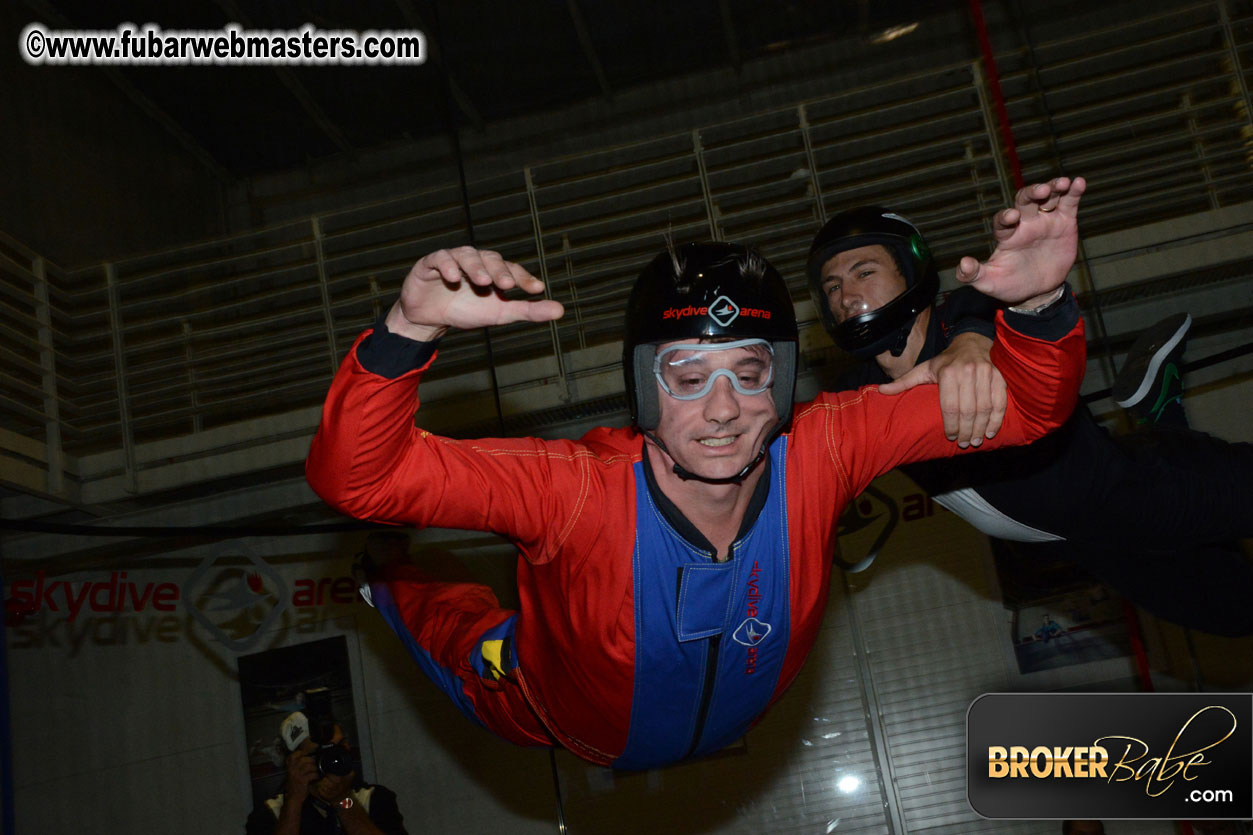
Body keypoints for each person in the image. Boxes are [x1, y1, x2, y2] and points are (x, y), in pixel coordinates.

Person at [305, 178, 1087, 770]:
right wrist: (407, 330)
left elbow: (1028, 407)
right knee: (454, 631)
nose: (721, 409)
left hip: (735, 717)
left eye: (749, 373)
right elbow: (358, 481)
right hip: (548, 710)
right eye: (685, 377)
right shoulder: (571, 492)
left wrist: (1040, 303)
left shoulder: (823, 447)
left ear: (781, 381)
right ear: (643, 386)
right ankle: (386, 577)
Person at [808, 188, 1253, 636]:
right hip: (1086, 542)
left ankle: (1159, 413)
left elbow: (984, 303)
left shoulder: (967, 316)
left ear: (909, 272)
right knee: (1237, 614)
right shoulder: (857, 395)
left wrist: (972, 339)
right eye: (832, 287)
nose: (846, 296)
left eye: (864, 272)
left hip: (1140, 486)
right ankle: (1157, 408)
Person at [245, 703, 408, 834]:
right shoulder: (273, 812)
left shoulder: (371, 799)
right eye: (320, 753)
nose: (333, 758)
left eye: (338, 747)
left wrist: (342, 800)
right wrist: (294, 801)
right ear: (294, 762)